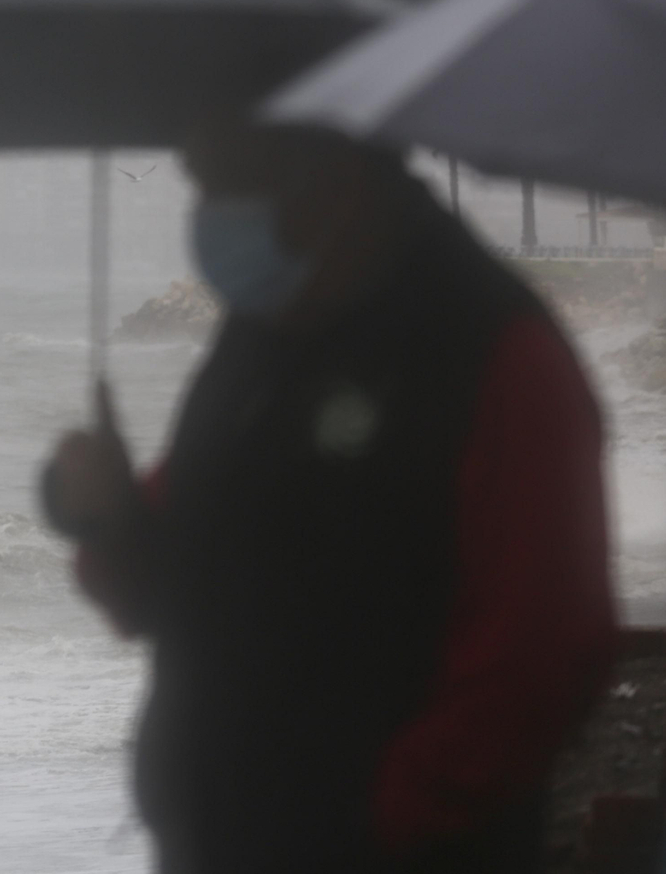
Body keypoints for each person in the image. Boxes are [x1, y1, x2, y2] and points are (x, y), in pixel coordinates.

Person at [43, 122, 617, 873]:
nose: (206, 216)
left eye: (224, 188)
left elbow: (541, 660)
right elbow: (172, 577)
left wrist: (362, 822)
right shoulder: (262, 336)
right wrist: (109, 518)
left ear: (329, 178)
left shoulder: (493, 353)